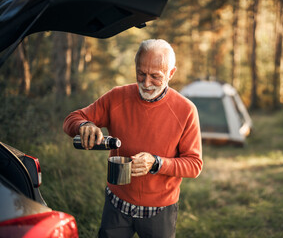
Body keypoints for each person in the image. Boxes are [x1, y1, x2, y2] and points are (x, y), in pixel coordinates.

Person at [63, 39, 203, 238]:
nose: (146, 83)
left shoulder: (186, 110)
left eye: (155, 76)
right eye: (141, 73)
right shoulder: (116, 97)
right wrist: (84, 125)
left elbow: (194, 165)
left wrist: (156, 163)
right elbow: (71, 119)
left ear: (171, 73)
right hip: (116, 205)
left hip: (160, 211)